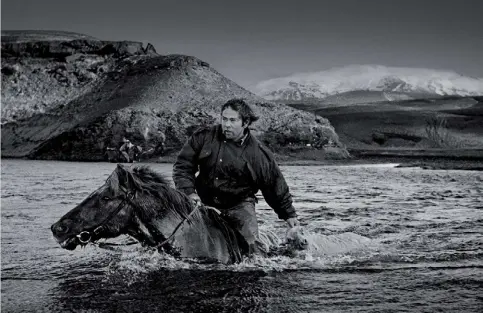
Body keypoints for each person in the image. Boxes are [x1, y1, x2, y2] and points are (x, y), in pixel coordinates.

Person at [173, 98, 299, 255]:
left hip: (239, 205)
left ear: (245, 123)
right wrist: (188, 192)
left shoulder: (259, 154)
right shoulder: (203, 137)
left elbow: (274, 185)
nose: (226, 124)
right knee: (176, 244)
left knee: (252, 252)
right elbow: (183, 166)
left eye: (232, 120)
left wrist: (289, 214)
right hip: (201, 202)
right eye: (224, 119)